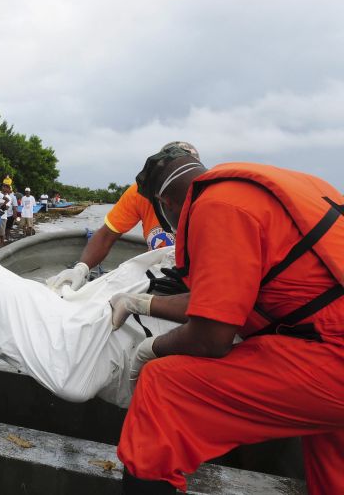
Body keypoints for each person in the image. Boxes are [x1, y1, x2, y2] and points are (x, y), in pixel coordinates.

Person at [110, 148, 344, 495]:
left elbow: (212, 337)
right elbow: (226, 301)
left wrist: (153, 348)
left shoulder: (215, 207)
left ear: (166, 203)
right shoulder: (279, 189)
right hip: (326, 336)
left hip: (332, 355)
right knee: (333, 464)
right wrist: (142, 303)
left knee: (163, 387)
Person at [48, 141, 201, 293]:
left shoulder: (207, 201)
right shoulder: (141, 194)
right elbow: (106, 235)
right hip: (159, 272)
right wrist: (81, 269)